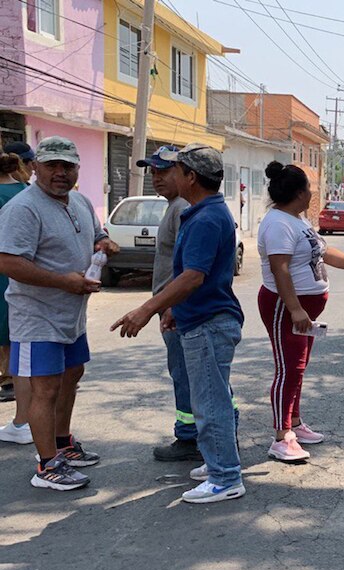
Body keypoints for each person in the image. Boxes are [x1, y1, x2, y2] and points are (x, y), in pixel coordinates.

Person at [112, 143, 246, 504]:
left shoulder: (205, 218)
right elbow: (191, 276)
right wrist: (173, 308)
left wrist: (145, 310)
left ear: (191, 177)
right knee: (207, 399)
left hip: (208, 323)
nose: (167, 176)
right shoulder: (202, 212)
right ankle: (218, 463)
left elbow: (192, 277)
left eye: (176, 170)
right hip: (201, 318)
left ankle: (225, 477)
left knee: (210, 402)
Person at [0, 136, 120, 490]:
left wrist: (104, 242)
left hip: (71, 315)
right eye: (51, 165)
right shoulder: (24, 208)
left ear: (77, 169)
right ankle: (47, 465)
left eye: (67, 166)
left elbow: (97, 233)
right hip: (36, 316)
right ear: (35, 167)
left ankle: (63, 443)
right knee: (45, 388)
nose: (60, 173)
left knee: (72, 374)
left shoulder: (79, 201)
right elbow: (8, 262)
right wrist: (62, 282)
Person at [257, 161, 344, 462]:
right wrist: (295, 308)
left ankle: (294, 422)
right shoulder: (278, 224)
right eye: (310, 189)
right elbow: (280, 269)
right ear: (300, 193)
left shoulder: (297, 220)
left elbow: (323, 252)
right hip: (285, 307)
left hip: (303, 308)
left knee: (298, 366)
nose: (312, 194)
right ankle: (281, 436)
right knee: (288, 369)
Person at [134, 145, 203, 462]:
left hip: (179, 310)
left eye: (163, 171)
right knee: (189, 373)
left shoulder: (182, 208)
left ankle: (191, 438)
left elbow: (190, 267)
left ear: (185, 174)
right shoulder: (175, 206)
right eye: (153, 172)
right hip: (173, 308)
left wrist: (173, 305)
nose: (156, 178)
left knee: (186, 374)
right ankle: (201, 435)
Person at [0, 144, 33, 442]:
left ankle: (22, 423)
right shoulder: (27, 194)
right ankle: (23, 420)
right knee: (18, 350)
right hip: (20, 282)